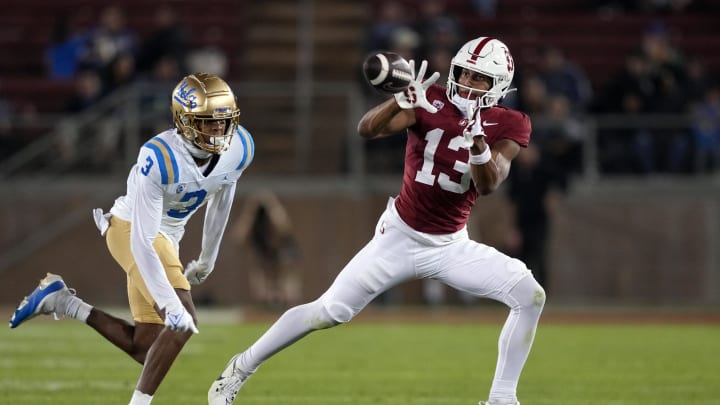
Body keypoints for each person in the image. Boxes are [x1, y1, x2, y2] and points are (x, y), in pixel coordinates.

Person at [208, 37, 545, 405]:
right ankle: (240, 367)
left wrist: (478, 143)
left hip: (451, 245)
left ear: (497, 85)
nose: (466, 81)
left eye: (478, 77)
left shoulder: (510, 123)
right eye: (463, 72)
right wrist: (398, 101)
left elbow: (490, 183)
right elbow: (366, 129)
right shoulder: (429, 99)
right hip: (399, 237)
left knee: (529, 295)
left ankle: (501, 399)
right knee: (329, 312)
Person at [9, 72, 255, 405]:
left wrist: (208, 258)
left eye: (223, 122)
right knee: (183, 319)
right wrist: (171, 305)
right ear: (184, 120)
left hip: (167, 238)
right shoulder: (160, 158)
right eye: (208, 122)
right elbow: (142, 241)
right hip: (131, 228)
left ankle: (62, 301)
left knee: (147, 348)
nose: (218, 131)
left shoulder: (239, 147)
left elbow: (223, 194)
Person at [231, 190, 303, 308]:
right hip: (263, 256)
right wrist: (250, 211)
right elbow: (239, 238)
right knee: (263, 294)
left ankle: (284, 305)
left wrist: (271, 204)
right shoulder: (255, 225)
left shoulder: (279, 226)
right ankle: (269, 304)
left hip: (283, 255)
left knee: (289, 294)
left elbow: (284, 228)